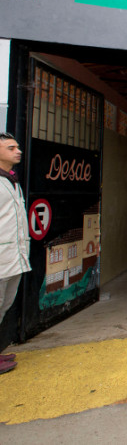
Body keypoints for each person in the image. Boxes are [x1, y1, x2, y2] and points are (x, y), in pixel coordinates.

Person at [0, 132, 30, 374]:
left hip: (13, 258)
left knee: (4, 305)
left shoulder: (11, 179)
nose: (18, 151)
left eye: (17, 147)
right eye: (11, 148)